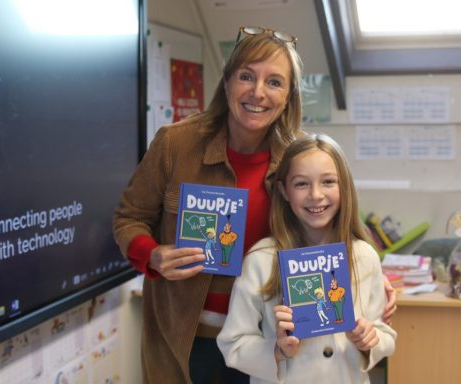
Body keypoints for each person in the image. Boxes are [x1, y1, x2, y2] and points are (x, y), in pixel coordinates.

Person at [113, 26, 396, 383]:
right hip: (186, 336)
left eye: (274, 82)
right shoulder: (176, 144)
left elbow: (331, 220)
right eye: (247, 76)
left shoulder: (300, 155)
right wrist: (152, 255)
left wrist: (370, 277)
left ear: (289, 95)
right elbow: (129, 218)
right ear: (228, 82)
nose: (258, 93)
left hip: (270, 338)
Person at [217, 134, 397, 384]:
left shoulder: (364, 256)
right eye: (302, 184)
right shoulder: (261, 259)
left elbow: (385, 334)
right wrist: (277, 350)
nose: (316, 195)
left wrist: (369, 341)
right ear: (284, 191)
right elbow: (233, 343)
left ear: (344, 187)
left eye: (328, 182)